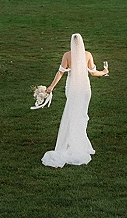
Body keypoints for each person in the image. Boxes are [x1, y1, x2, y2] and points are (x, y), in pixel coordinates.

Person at [41, 33, 108, 168]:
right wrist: (105, 71)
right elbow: (94, 72)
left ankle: (73, 141)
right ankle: (79, 143)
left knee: (73, 114)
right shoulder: (87, 55)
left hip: (72, 88)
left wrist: (51, 87)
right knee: (82, 115)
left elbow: (60, 72)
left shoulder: (67, 55)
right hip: (84, 89)